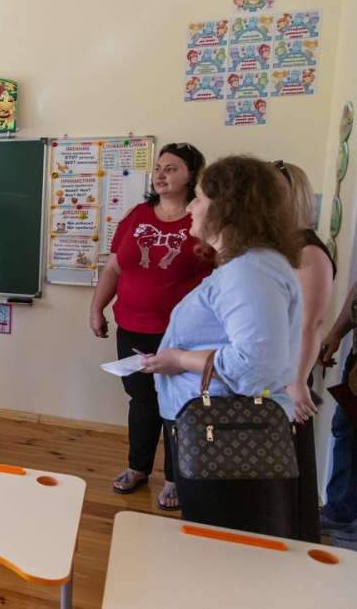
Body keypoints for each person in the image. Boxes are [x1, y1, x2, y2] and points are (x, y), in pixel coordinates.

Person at [142, 155, 303, 538]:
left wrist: (179, 358)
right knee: (215, 540)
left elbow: (254, 365)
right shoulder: (249, 266)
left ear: (228, 207)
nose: (191, 207)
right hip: (217, 428)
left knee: (224, 545)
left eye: (199, 197)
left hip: (228, 434)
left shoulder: (250, 271)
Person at [90, 142, 213, 510]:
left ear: (192, 176)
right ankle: (138, 467)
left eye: (171, 169)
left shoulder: (203, 219)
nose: (161, 174)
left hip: (182, 334)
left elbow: (218, 274)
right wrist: (97, 308)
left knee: (179, 404)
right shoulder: (137, 215)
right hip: (133, 327)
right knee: (142, 401)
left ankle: (176, 477)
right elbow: (114, 267)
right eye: (159, 168)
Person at [275, 160, 334, 542]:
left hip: (288, 376)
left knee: (289, 466)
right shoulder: (280, 247)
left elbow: (310, 324)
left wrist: (297, 382)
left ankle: (291, 541)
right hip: (272, 372)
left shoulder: (309, 251)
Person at [318, 272, 357, 546]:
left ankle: (342, 517)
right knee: (347, 432)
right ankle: (340, 514)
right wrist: (336, 333)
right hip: (356, 357)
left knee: (355, 439)